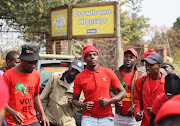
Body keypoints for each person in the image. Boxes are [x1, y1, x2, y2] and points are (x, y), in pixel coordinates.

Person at [72, 45, 127, 126]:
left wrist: (109, 101)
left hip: (107, 117)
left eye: (94, 54)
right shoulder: (79, 77)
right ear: (85, 59)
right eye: (89, 55)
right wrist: (82, 105)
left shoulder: (108, 72)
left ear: (98, 57)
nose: (92, 57)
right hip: (88, 118)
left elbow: (123, 92)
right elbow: (74, 100)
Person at [3, 45, 49, 126]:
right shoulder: (8, 75)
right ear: (22, 60)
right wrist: (12, 112)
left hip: (32, 120)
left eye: (35, 62)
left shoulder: (36, 74)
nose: (33, 65)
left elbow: (36, 96)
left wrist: (42, 114)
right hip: (15, 121)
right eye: (30, 63)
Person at [40, 60, 85, 126]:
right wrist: (40, 114)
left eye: (77, 72)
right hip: (49, 119)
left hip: (67, 122)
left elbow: (79, 107)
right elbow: (43, 98)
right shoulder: (55, 77)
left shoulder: (80, 86)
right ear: (69, 67)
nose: (73, 73)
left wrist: (74, 102)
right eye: (73, 69)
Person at [112, 48, 146, 126]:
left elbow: (145, 95)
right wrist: (115, 99)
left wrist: (137, 107)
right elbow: (110, 90)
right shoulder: (116, 74)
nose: (128, 59)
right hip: (118, 115)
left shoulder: (141, 75)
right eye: (126, 57)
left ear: (136, 60)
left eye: (131, 57)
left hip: (134, 118)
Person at [134, 52, 165, 126]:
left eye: (151, 65)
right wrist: (137, 111)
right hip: (145, 123)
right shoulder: (140, 80)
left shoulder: (167, 84)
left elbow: (170, 105)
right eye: (146, 64)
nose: (147, 67)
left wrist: (156, 111)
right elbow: (137, 99)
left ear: (159, 66)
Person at [0, 51, 20, 126]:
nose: (20, 65)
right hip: (5, 112)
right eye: (17, 62)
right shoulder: (2, 75)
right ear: (8, 62)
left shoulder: (20, 75)